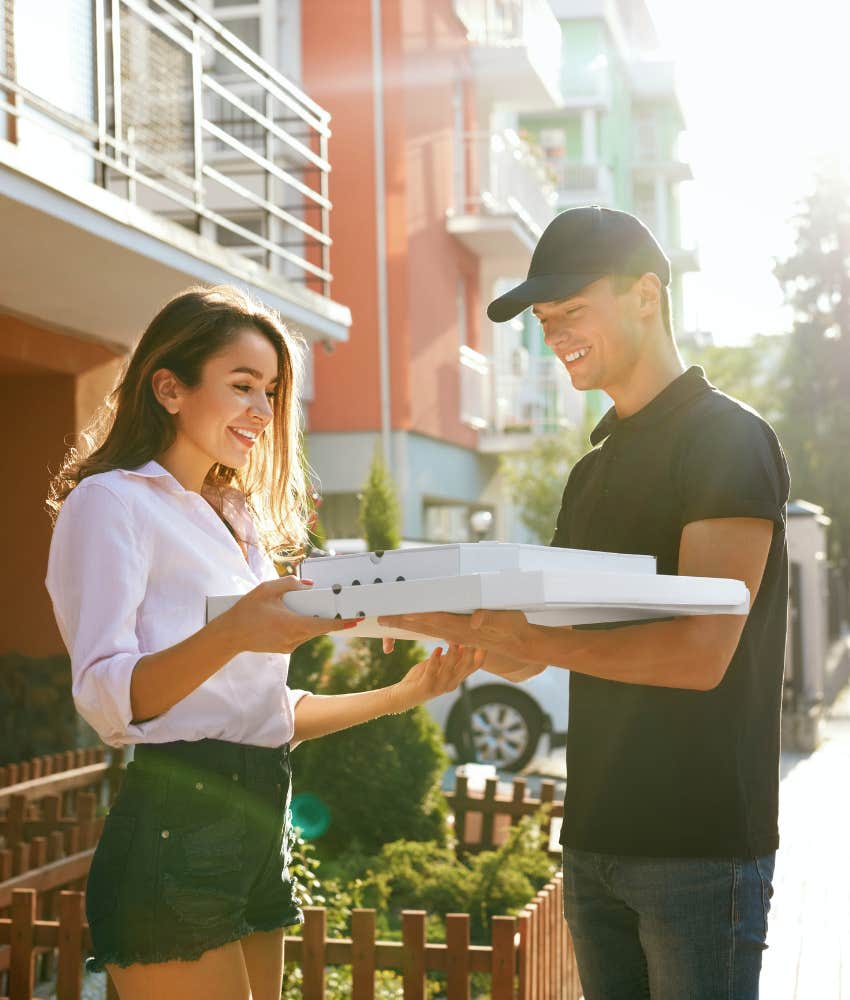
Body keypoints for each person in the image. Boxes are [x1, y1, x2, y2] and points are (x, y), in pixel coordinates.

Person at [378, 206, 790, 999]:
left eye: (570, 310)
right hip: (595, 838)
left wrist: (520, 634)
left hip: (700, 846)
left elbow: (699, 656)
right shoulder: (591, 472)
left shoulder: (728, 441)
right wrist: (414, 616)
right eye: (542, 319)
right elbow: (535, 645)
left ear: (645, 295)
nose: (553, 334)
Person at [44, 285, 485, 1000]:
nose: (262, 410)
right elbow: (107, 699)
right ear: (169, 388)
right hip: (174, 832)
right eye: (242, 385)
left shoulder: (236, 519)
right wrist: (236, 630)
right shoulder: (111, 503)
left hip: (257, 822)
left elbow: (262, 712)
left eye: (273, 392)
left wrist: (405, 695)